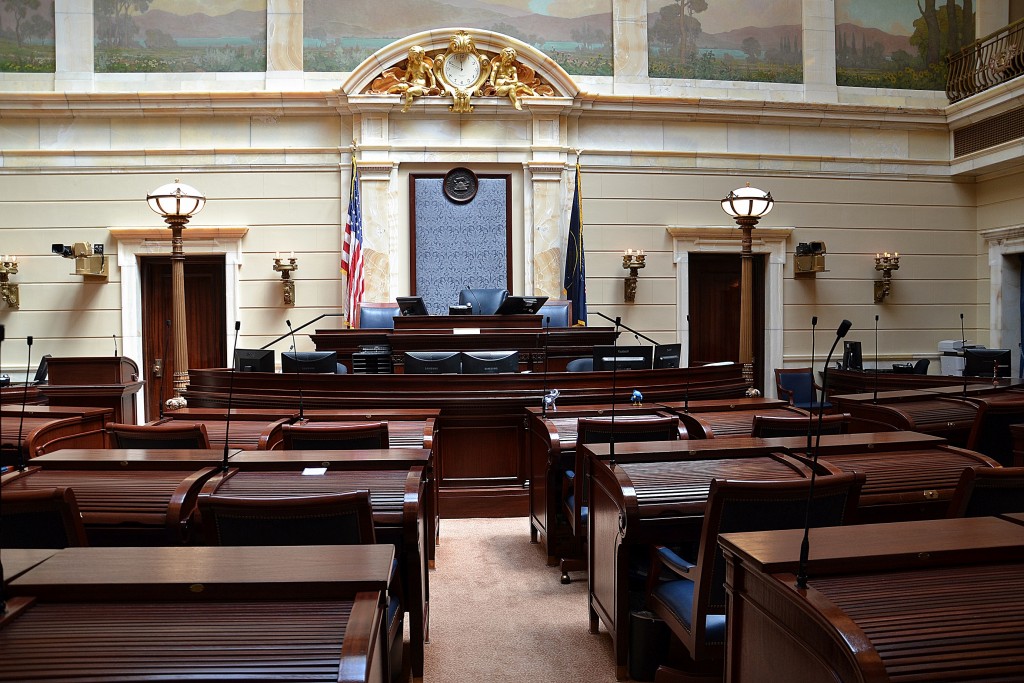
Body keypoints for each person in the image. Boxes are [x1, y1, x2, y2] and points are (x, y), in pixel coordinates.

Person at [388, 46, 436, 112]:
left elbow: (431, 76)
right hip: (411, 84)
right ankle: (386, 93)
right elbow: (406, 76)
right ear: (412, 57)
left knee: (409, 91)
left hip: (420, 87)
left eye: (420, 57)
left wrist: (433, 85)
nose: (419, 59)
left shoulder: (424, 66)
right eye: (416, 57)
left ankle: (406, 107)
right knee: (399, 86)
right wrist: (403, 79)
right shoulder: (411, 66)